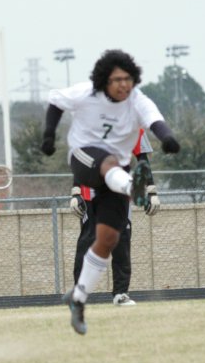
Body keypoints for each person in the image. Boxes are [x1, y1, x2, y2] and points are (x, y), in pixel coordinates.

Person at [42, 49, 179, 334]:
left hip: (116, 176)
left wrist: (167, 138)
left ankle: (78, 298)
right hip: (84, 159)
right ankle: (133, 188)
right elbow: (55, 101)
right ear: (104, 80)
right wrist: (48, 136)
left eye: (128, 79)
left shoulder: (137, 100)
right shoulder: (85, 94)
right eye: (117, 79)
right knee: (107, 162)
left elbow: (155, 120)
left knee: (107, 239)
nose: (124, 85)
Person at [71, 129, 160, 306]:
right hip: (91, 192)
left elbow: (142, 159)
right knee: (87, 241)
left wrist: (151, 190)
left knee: (122, 241)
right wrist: (75, 191)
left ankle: (121, 293)